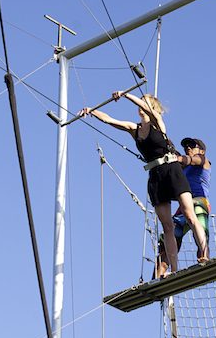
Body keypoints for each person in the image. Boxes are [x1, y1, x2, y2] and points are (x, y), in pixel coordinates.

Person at [79, 91, 208, 277]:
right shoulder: (135, 129)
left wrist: (126, 95)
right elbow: (110, 120)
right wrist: (92, 111)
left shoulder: (158, 123)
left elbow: (149, 110)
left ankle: (203, 252)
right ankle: (174, 269)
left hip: (171, 169)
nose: (141, 106)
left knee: (189, 214)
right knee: (167, 226)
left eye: (144, 103)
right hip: (155, 175)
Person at [155, 137, 211, 279]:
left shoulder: (203, 161)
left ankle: (204, 257)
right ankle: (160, 273)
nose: (188, 148)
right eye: (186, 146)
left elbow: (189, 160)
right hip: (184, 206)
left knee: (199, 228)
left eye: (192, 145)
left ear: (202, 151)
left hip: (198, 202)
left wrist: (177, 159)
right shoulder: (184, 169)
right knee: (170, 235)